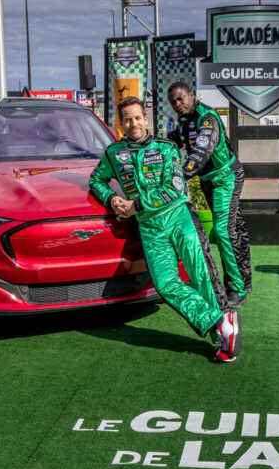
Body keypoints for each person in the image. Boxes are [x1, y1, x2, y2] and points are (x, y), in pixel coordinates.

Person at [89, 96, 241, 363]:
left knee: (201, 275)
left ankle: (224, 341)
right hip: (150, 228)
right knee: (165, 284)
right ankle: (220, 321)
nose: (133, 123)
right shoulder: (114, 153)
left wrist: (135, 205)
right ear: (120, 123)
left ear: (145, 119)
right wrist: (111, 199)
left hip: (180, 218)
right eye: (127, 119)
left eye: (137, 117)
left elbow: (175, 189)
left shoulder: (167, 147)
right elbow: (96, 180)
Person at [167, 82, 252, 307]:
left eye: (180, 98)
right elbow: (175, 140)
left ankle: (238, 288)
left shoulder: (208, 118)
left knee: (223, 231)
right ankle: (242, 280)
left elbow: (202, 150)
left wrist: (181, 175)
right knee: (235, 230)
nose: (177, 104)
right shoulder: (184, 120)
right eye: (173, 101)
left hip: (226, 177)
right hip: (208, 180)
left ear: (192, 96)